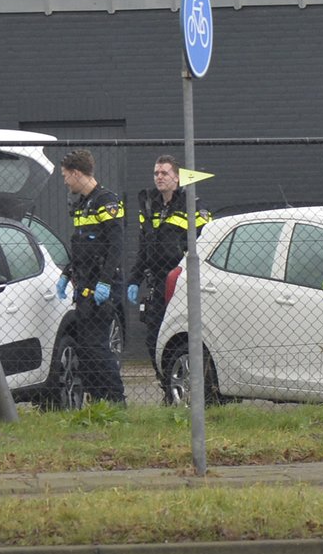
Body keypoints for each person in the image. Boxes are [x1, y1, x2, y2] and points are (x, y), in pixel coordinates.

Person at [126, 154, 208, 390]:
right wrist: (134, 278)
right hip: (156, 282)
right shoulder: (149, 205)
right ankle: (167, 387)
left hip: (181, 281)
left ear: (177, 177)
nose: (159, 177)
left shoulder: (193, 206)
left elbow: (204, 244)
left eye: (164, 173)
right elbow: (144, 247)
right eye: (156, 173)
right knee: (153, 337)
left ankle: (193, 388)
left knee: (181, 335)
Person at [55, 149, 126, 405]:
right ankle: (97, 401)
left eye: (65, 176)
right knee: (86, 348)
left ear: (76, 173)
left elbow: (116, 246)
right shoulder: (83, 204)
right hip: (84, 286)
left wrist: (105, 282)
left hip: (102, 286)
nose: (64, 181)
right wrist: (66, 274)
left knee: (97, 347)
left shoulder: (106, 201)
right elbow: (80, 246)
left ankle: (117, 400)